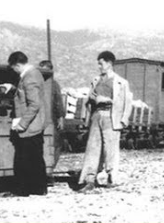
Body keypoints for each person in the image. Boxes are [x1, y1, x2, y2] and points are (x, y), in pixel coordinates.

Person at [77, 51, 132, 192]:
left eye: (101, 63)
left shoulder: (121, 82)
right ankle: (89, 179)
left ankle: (110, 178)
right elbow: (89, 97)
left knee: (110, 149)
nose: (99, 66)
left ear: (109, 63)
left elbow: (127, 103)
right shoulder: (96, 80)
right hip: (96, 116)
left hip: (111, 117)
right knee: (93, 148)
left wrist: (123, 121)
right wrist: (95, 99)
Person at [2, 51, 48, 196]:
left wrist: (22, 123)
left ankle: (23, 190)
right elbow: (26, 96)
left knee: (24, 159)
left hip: (30, 126)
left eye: (13, 68)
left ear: (17, 65)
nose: (14, 71)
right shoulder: (34, 74)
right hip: (35, 125)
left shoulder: (29, 77)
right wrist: (14, 89)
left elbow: (34, 104)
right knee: (35, 158)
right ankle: (38, 189)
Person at [38, 60, 66, 162]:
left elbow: (58, 101)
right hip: (40, 118)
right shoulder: (37, 83)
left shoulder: (54, 85)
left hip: (52, 118)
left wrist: (61, 117)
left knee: (55, 144)